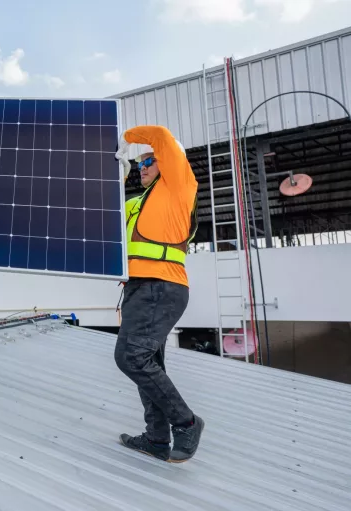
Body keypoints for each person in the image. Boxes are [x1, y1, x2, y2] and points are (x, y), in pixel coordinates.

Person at [113, 125, 204, 463]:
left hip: (161, 286)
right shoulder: (137, 202)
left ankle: (187, 422)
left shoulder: (180, 186)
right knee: (148, 364)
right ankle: (155, 439)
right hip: (140, 288)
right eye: (138, 165)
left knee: (131, 358)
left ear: (168, 161)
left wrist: (129, 138)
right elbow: (104, 218)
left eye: (148, 161)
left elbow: (163, 138)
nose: (142, 167)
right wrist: (118, 178)